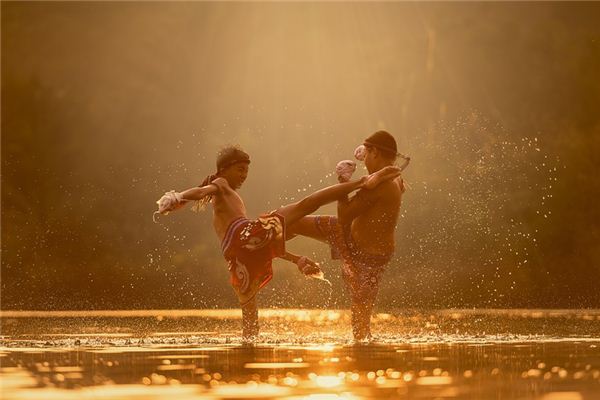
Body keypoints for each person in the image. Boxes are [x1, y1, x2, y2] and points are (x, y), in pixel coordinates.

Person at [155, 145, 401, 340]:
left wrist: (297, 260)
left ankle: (247, 358)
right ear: (224, 169)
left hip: (237, 255)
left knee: (250, 324)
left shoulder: (223, 202)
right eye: (240, 170)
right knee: (306, 204)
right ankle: (359, 182)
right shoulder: (220, 184)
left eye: (246, 171)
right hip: (245, 234)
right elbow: (200, 192)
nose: (243, 176)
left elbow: (259, 247)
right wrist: (178, 195)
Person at [286, 131, 409, 341]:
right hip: (349, 235)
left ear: (375, 153)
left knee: (360, 330)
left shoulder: (383, 183)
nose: (365, 163)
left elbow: (343, 215)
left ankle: (366, 363)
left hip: (369, 258)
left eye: (367, 155)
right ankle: (264, 243)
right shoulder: (394, 176)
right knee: (293, 222)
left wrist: (343, 181)